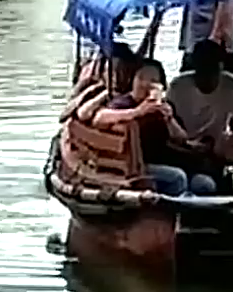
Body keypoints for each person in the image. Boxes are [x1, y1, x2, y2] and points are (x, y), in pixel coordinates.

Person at [90, 59, 217, 197]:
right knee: (177, 177)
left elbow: (181, 138)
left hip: (165, 160)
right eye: (141, 78)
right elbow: (100, 118)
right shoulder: (124, 103)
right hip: (136, 165)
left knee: (205, 183)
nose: (145, 84)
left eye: (152, 80)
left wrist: (169, 119)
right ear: (133, 80)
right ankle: (174, 212)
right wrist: (138, 112)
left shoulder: (162, 106)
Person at [168, 40, 233, 174]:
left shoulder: (232, 86)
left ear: (221, 68)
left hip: (216, 145)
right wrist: (187, 144)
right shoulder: (177, 87)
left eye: (212, 71)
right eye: (203, 71)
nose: (207, 78)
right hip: (184, 143)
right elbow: (170, 122)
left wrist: (231, 145)